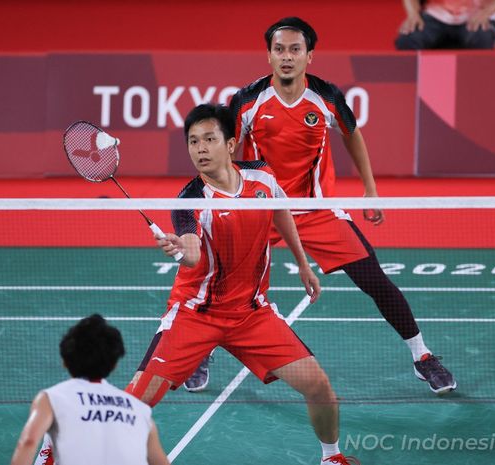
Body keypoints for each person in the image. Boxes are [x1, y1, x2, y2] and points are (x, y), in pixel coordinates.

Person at [185, 17, 456, 396]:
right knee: (220, 283)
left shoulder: (326, 97)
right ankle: (200, 352)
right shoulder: (246, 101)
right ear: (268, 55)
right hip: (260, 210)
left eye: (295, 49)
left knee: (374, 280)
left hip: (316, 209)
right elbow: (222, 150)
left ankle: (422, 356)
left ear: (309, 56)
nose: (287, 57)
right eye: (279, 49)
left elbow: (352, 135)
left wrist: (370, 189)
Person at [125, 103, 359, 465]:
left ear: (231, 144)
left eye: (208, 139)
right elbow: (191, 255)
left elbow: (280, 211)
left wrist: (302, 263)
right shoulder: (188, 201)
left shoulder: (262, 177)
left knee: (319, 386)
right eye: (192, 142)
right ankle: (54, 445)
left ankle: (332, 457)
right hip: (196, 315)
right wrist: (179, 248)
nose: (200, 149)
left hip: (252, 315)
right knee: (134, 406)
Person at [10, 314, 170, 465]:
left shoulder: (52, 399)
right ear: (114, 366)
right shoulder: (139, 410)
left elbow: (29, 441)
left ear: (65, 361)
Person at [395, 0, 495, 50]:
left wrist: (485, 13)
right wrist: (413, 14)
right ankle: (412, 88)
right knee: (408, 39)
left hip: (473, 15)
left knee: (482, 38)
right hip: (435, 15)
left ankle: (476, 87)